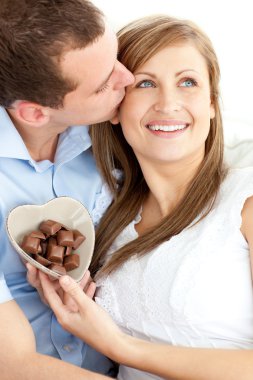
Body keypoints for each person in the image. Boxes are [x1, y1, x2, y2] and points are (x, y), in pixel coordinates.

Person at [39, 15, 253, 380]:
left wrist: (119, 347)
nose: (168, 103)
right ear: (115, 108)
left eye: (188, 82)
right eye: (145, 83)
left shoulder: (243, 202)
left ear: (213, 104)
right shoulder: (106, 220)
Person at [0, 0, 134, 379]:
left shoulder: (113, 139)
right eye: (104, 83)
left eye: (117, 57)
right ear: (35, 113)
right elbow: (13, 365)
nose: (127, 78)